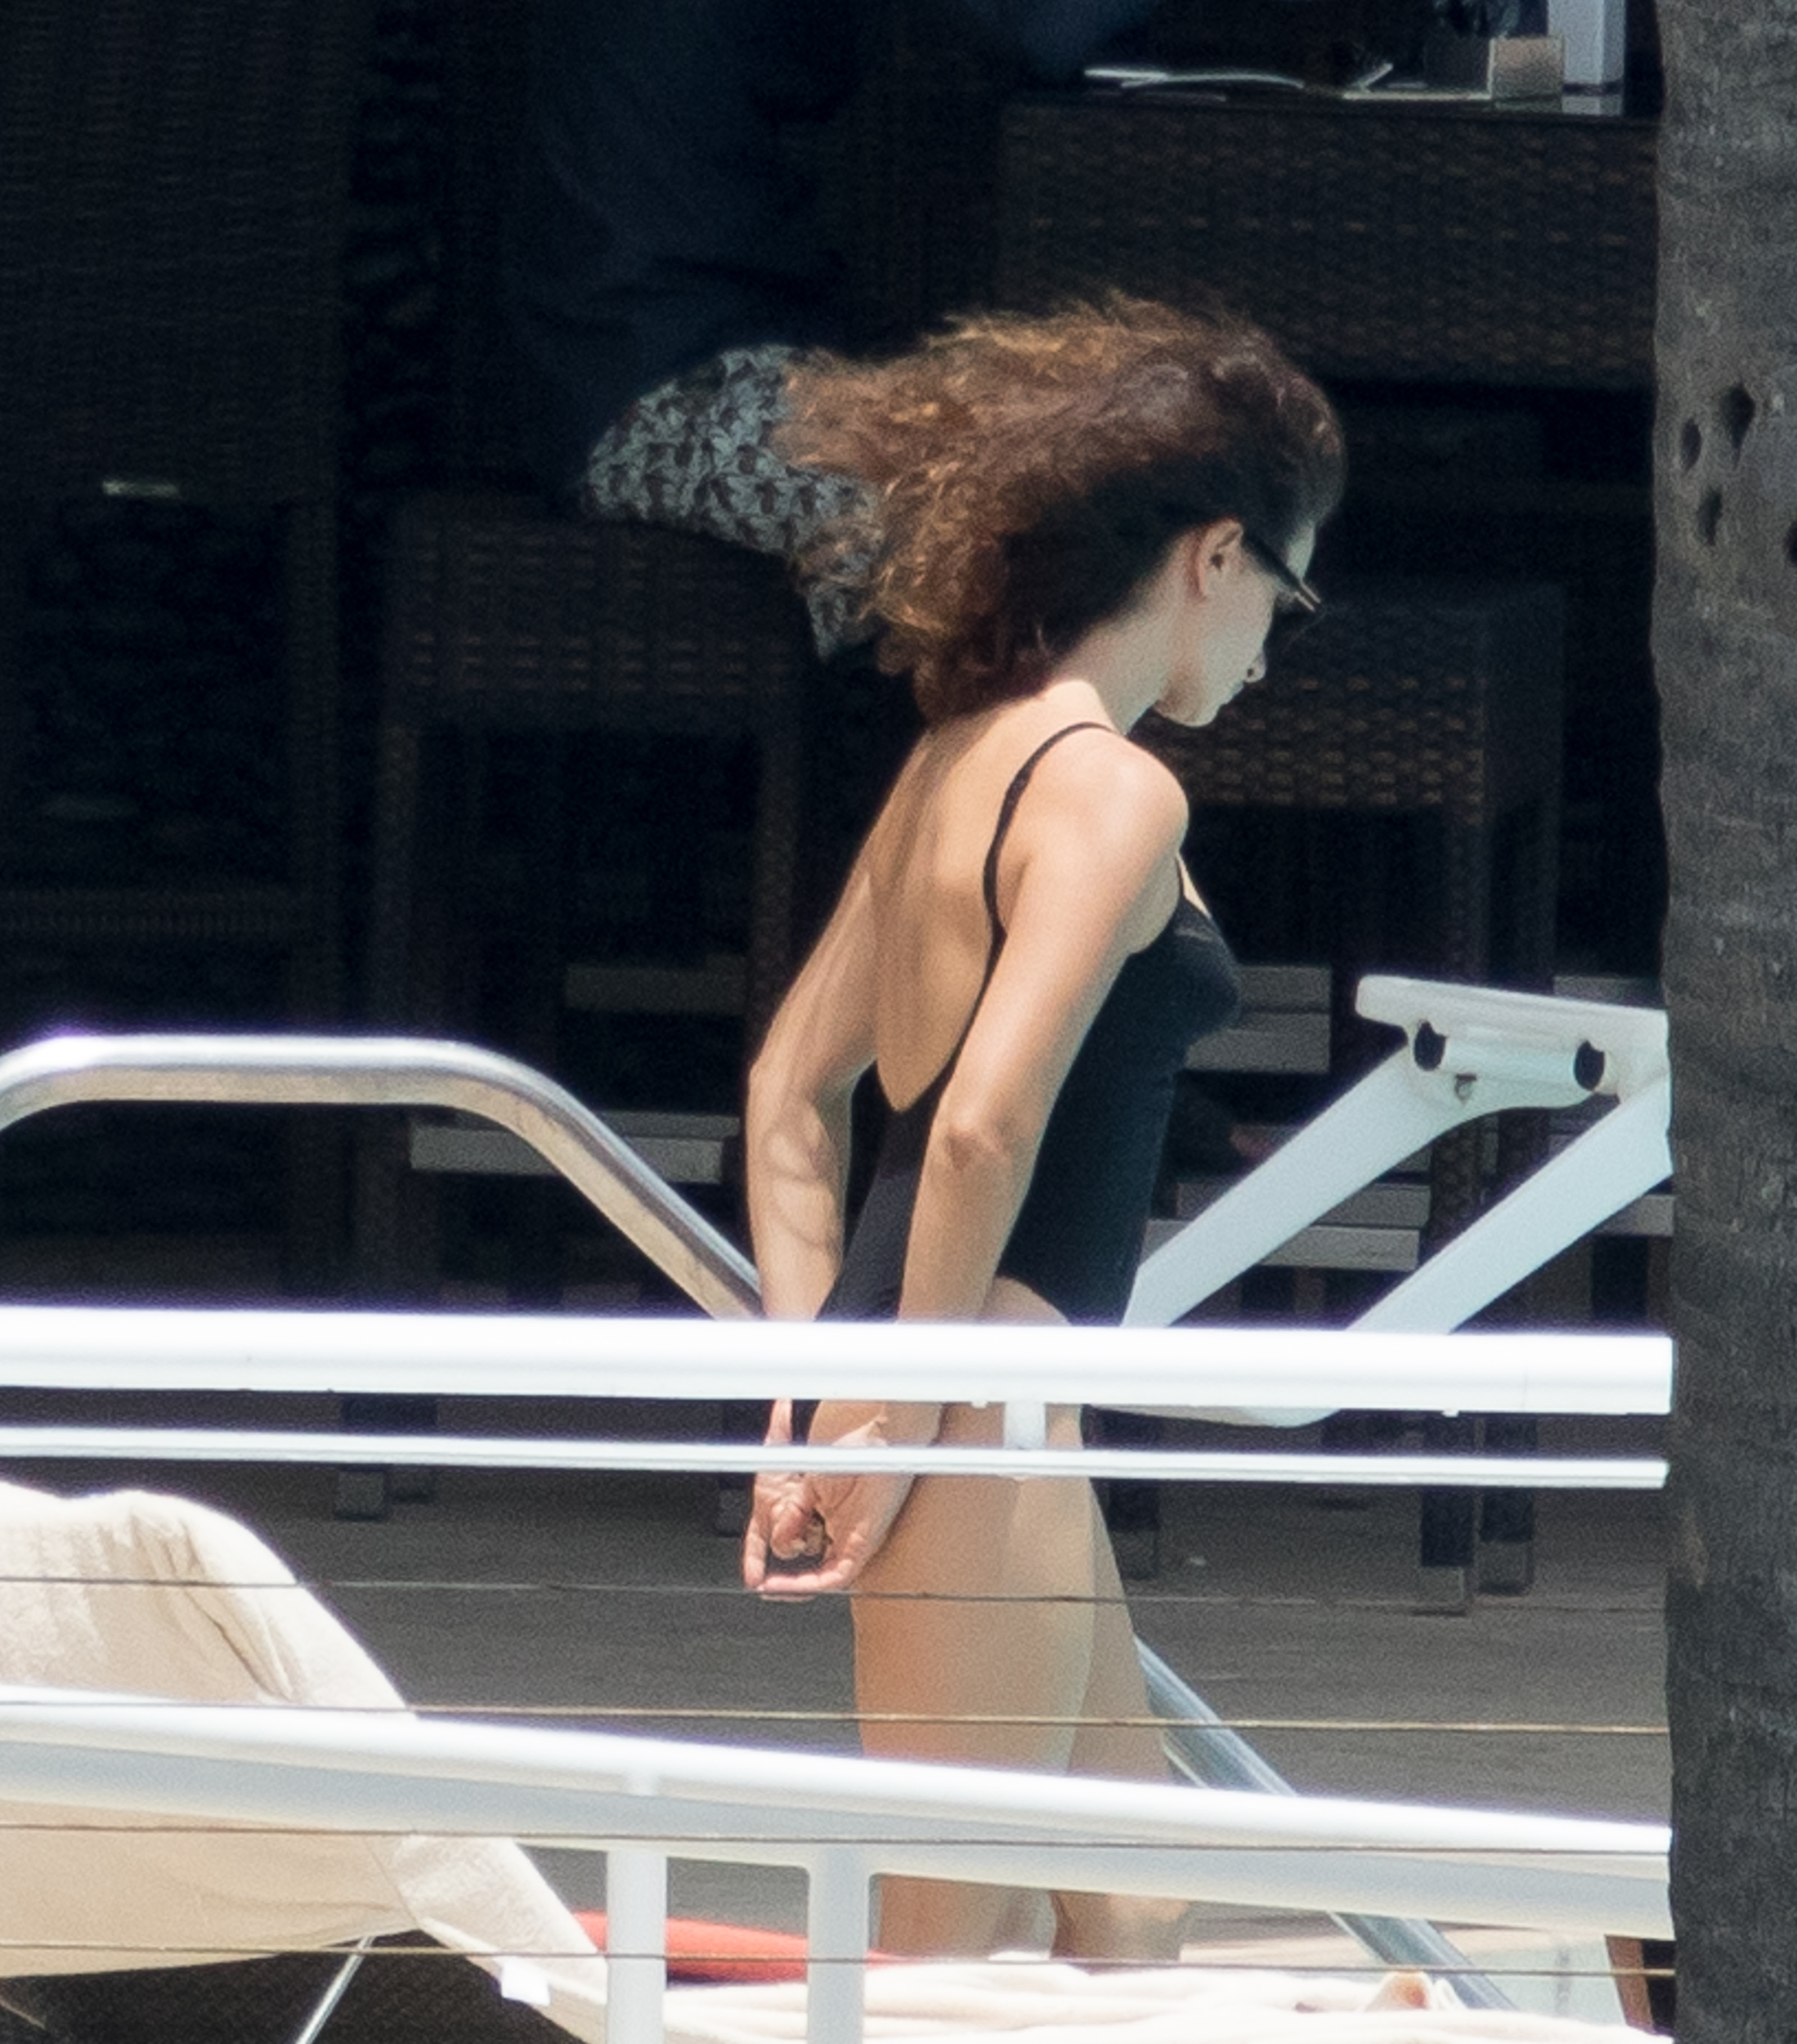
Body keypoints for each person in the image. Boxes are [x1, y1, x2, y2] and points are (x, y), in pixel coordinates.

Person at [737, 298, 1345, 1959]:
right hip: (977, 1387)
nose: (1273, 649)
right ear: (1214, 557)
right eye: (1287, 598)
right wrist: (899, 1419)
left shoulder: (955, 757)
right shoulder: (1113, 787)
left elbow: (791, 1095)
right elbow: (981, 1129)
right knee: (943, 1939)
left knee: (1131, 1903)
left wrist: (814, 1396)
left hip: (951, 1378)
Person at [500, 0, 1167, 656]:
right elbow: (1039, 30)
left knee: (1025, 476)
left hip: (698, 350)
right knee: (964, 537)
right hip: (637, 394)